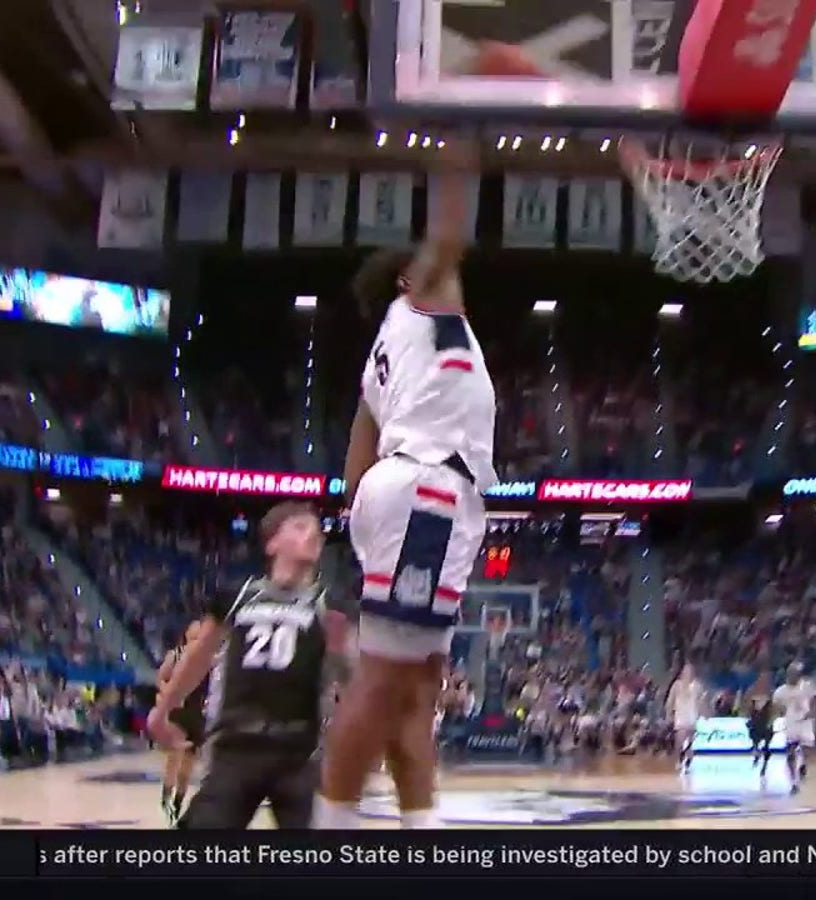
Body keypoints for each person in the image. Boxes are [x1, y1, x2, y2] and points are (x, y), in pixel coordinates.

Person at [315, 145, 496, 831]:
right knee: (386, 679)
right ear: (405, 281)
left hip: (408, 495)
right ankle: (330, 829)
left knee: (417, 688)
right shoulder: (422, 299)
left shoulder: (380, 367)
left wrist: (374, 523)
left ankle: (421, 830)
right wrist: (460, 146)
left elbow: (352, 477)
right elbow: (448, 238)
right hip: (429, 491)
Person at [149, 502, 344, 829]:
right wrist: (163, 709)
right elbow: (198, 656)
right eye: (299, 527)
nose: (312, 534)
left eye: (316, 530)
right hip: (237, 744)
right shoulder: (239, 595)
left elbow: (351, 678)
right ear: (272, 544)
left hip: (300, 751)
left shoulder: (330, 604)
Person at [157, 619, 208, 826]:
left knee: (188, 767)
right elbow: (160, 678)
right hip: (178, 712)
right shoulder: (175, 655)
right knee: (174, 758)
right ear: (186, 634)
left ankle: (178, 803)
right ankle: (166, 798)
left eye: (200, 634)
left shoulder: (207, 659)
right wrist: (167, 693)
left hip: (197, 714)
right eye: (193, 633)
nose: (196, 637)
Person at [771, 662, 816, 794]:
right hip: (791, 723)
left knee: (807, 748)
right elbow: (776, 705)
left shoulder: (807, 686)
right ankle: (793, 782)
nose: (794, 676)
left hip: (805, 721)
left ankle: (803, 764)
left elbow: (815, 698)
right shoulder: (780, 691)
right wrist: (780, 713)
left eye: (796, 674)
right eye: (791, 673)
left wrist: (812, 710)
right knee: (790, 751)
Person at [666, 663, 704, 773]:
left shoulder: (697, 686)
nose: (687, 674)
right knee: (679, 741)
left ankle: (688, 761)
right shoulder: (676, 685)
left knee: (690, 742)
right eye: (685, 671)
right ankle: (678, 760)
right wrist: (669, 715)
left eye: (690, 671)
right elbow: (670, 701)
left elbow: (701, 701)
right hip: (680, 716)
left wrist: (703, 713)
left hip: (692, 716)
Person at [744, 673, 776, 778]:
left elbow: (773, 710)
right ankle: (756, 755)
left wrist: (771, 722)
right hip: (755, 724)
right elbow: (747, 708)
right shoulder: (752, 693)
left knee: (766, 747)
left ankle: (764, 767)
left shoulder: (770, 694)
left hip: (765, 723)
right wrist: (748, 718)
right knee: (755, 744)